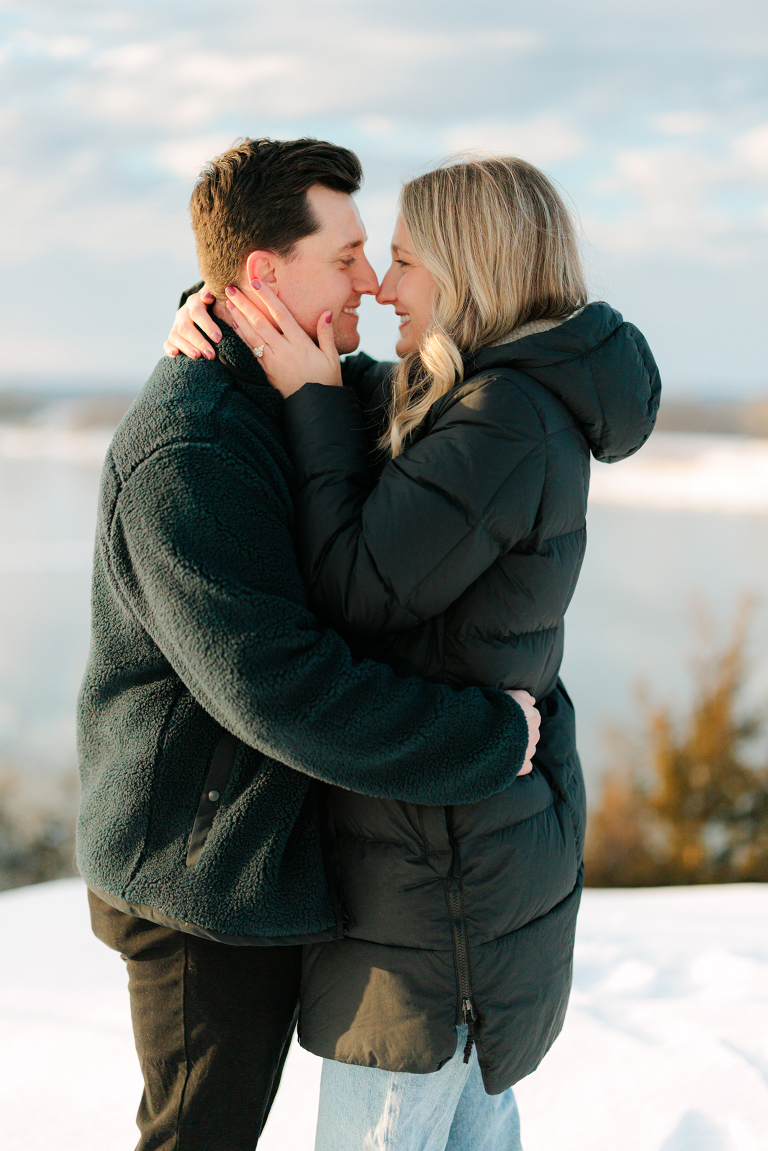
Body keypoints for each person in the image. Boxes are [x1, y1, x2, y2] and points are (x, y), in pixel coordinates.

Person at [172, 154, 661, 1150]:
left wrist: (305, 398)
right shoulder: (492, 398)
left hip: (435, 902)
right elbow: (378, 425)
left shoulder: (503, 422)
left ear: (465, 269)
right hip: (456, 868)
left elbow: (356, 582)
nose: (383, 287)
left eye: (400, 261)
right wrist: (224, 311)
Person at [78, 138, 541, 1151]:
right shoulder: (191, 446)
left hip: (262, 854)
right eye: (347, 258)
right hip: (199, 877)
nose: (371, 283)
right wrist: (486, 739)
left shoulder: (288, 384)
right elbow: (280, 687)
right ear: (262, 274)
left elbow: (422, 407)